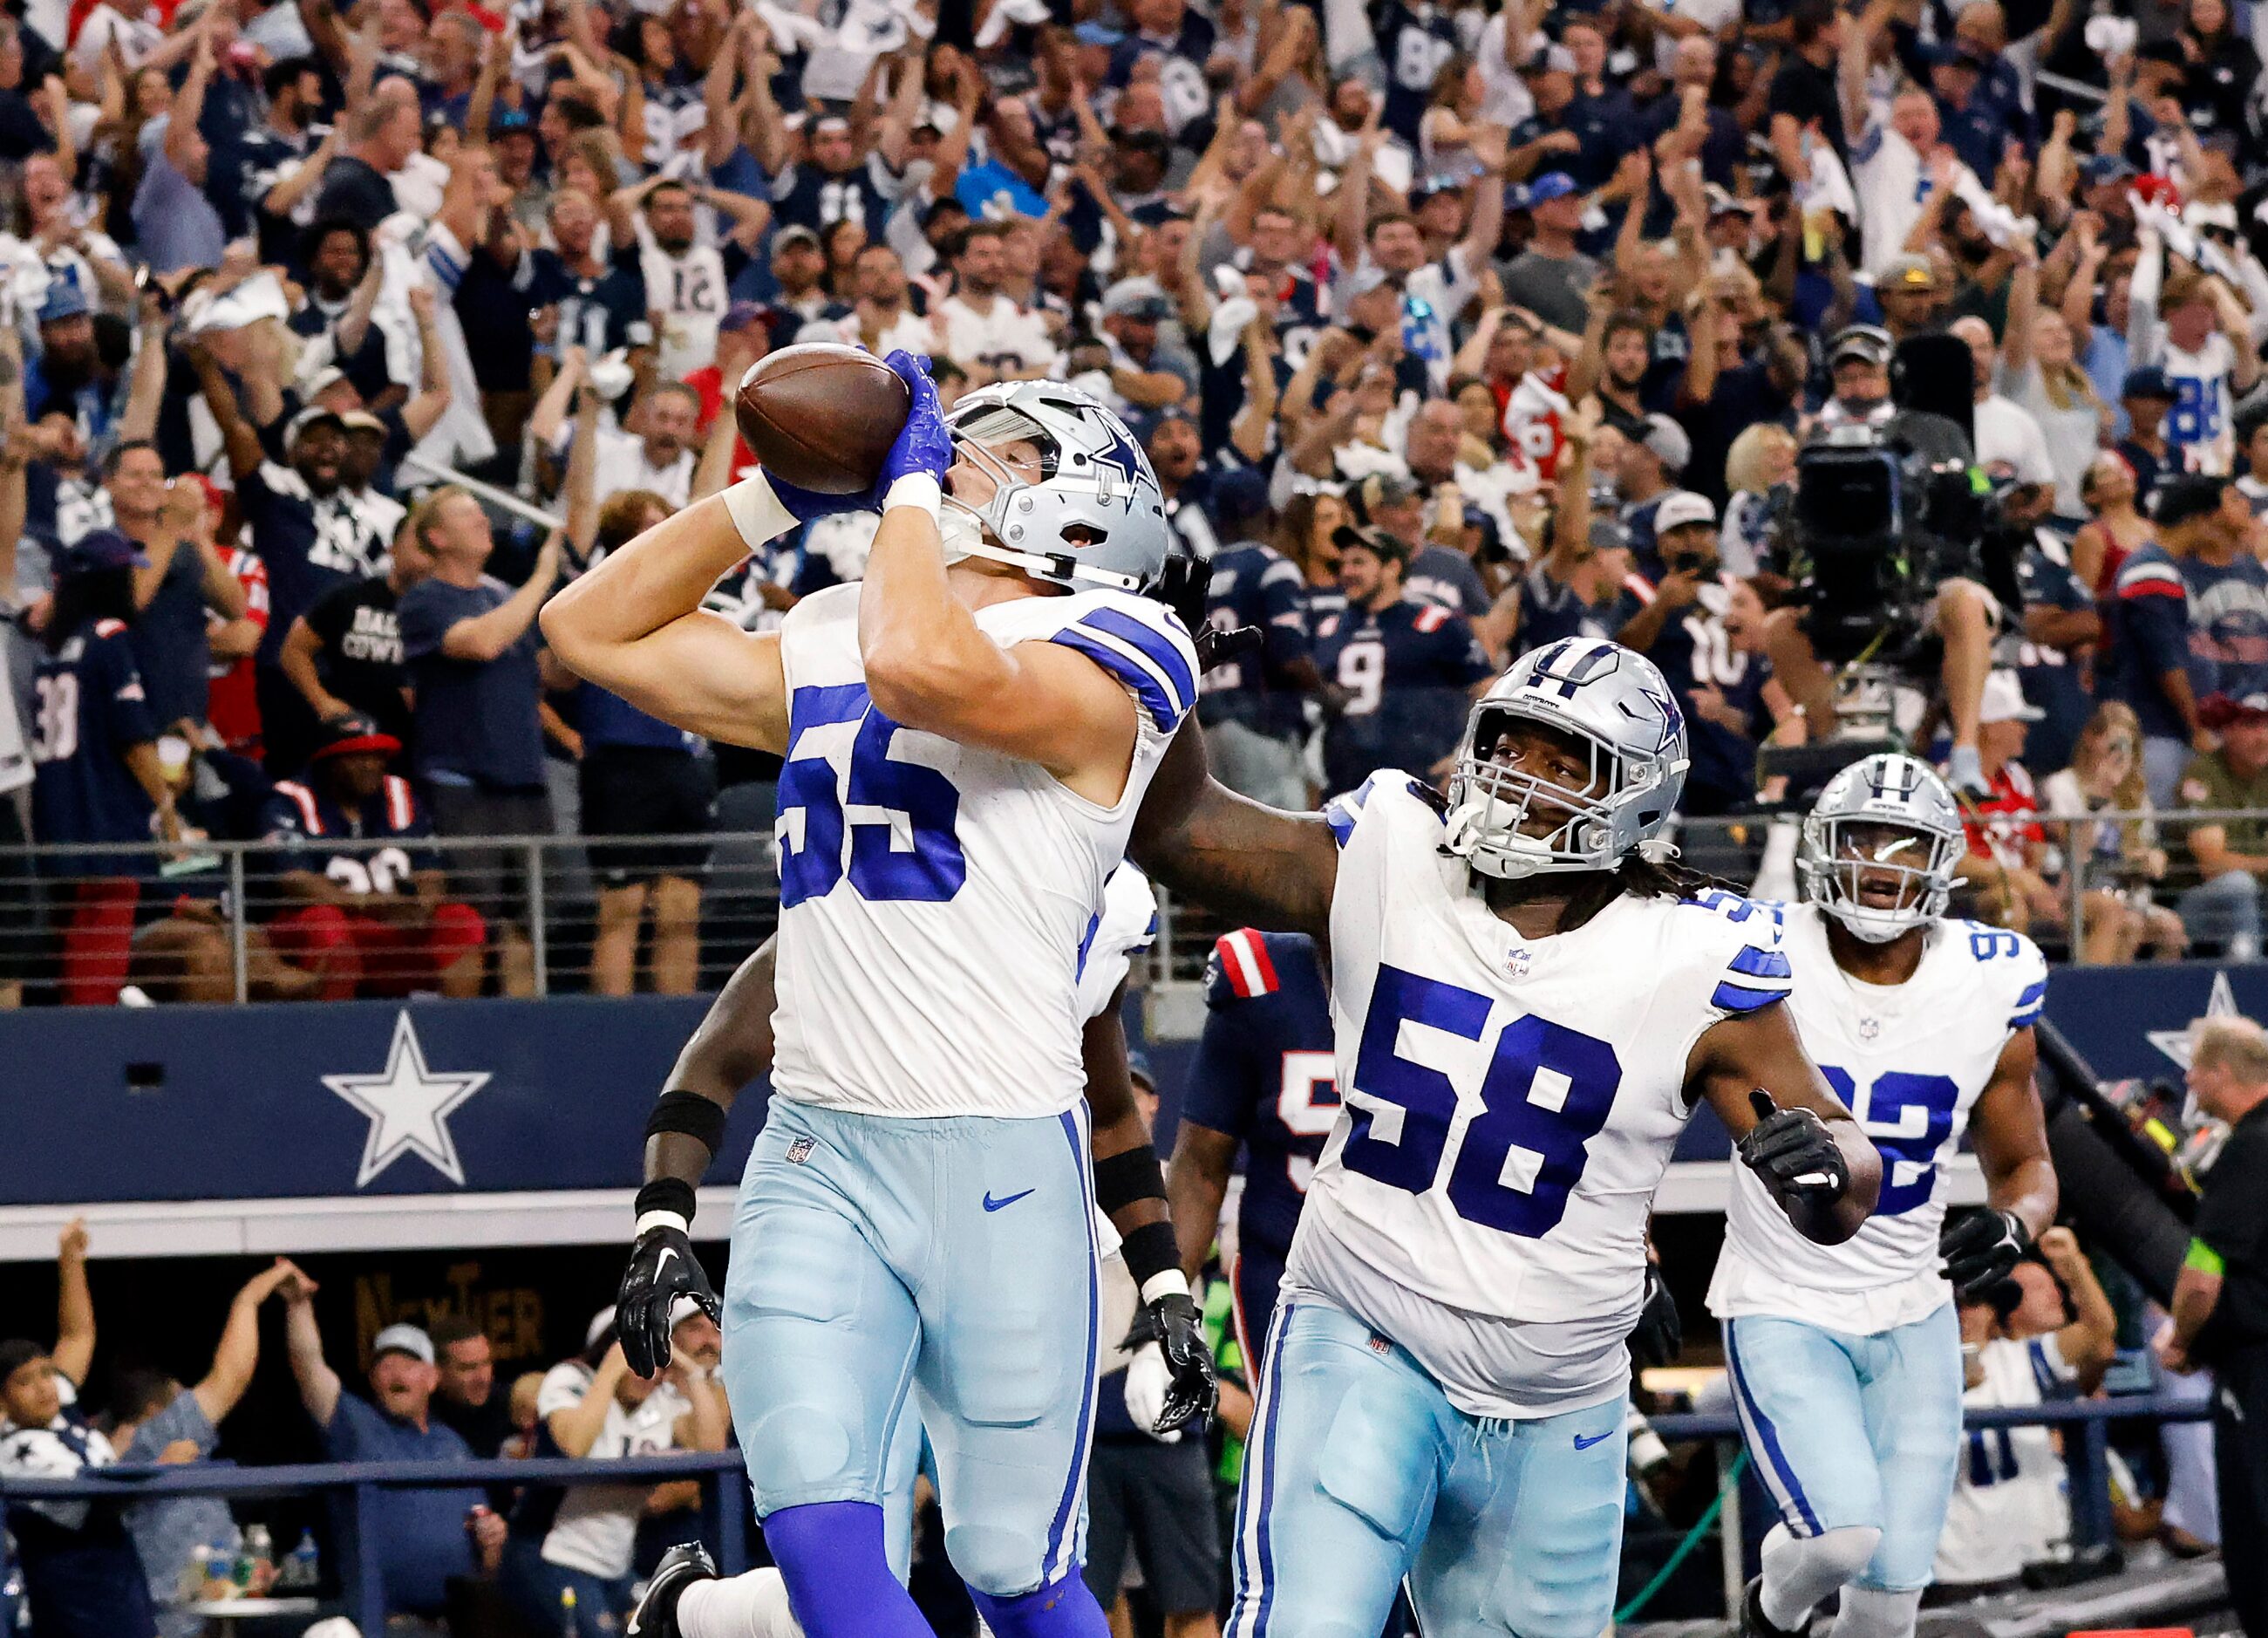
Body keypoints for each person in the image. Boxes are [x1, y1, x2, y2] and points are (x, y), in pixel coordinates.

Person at [544, 358, 1208, 1638]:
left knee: (1018, 1575)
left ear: (1083, 509)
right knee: (833, 1562)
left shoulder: (1124, 645)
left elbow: (922, 671)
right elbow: (588, 632)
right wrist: (767, 500)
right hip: (817, 1149)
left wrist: (901, 497)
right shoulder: (839, 620)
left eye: (995, 449)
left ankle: (708, 1625)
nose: (951, 454)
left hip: (1003, 1163)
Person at [1117, 640, 1880, 1638]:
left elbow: (1842, 1159)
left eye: (1565, 761)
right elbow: (1178, 830)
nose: (1521, 775)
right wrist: (1158, 669)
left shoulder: (1696, 954)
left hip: (1563, 1397)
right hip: (1366, 1331)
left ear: (1638, 798)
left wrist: (1830, 1169)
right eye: (1510, 742)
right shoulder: (1389, 852)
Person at [614, 859, 1173, 1636]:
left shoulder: (1083, 889)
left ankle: (696, 1613)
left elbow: (1112, 1113)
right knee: (838, 1566)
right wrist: (661, 1221)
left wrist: (1165, 1282)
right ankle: (694, 1609)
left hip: (1006, 1244)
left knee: (1015, 1561)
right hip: (842, 1214)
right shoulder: (870, 885)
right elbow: (714, 1059)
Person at [1713, 754, 2059, 1638]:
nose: (1877, 863)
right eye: (1860, 839)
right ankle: (1771, 1612)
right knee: (1838, 1541)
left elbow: (2030, 1168)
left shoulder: (1990, 977)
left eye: (1902, 844)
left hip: (1914, 1307)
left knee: (1891, 1604)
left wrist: (2017, 1224)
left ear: (1941, 860)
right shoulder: (1759, 948)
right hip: (1785, 1295)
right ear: (1823, 848)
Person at [395, 491, 564, 998]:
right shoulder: (425, 599)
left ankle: (526, 1041)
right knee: (471, 920)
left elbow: (549, 675)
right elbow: (481, 642)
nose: (483, 520)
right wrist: (541, 578)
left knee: (525, 925)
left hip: (523, 782)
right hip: (464, 786)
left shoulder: (502, 596)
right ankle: (462, 1039)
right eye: (468, 515)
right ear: (438, 538)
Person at [29, 529, 187, 1006]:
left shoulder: (52, 645)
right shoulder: (109, 636)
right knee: (98, 959)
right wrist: (167, 810)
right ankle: (84, 1060)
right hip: (106, 818)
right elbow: (135, 739)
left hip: (57, 813)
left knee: (71, 945)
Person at [105, 1259, 303, 1638]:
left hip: (207, 1617)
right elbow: (232, 1373)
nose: (194, 1405)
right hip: (178, 1624)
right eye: (181, 1397)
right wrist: (251, 1297)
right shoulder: (155, 1435)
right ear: (154, 1409)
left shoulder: (100, 1445)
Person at [1166, 928, 1336, 1367]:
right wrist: (1162, 1316)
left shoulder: (1456, 961)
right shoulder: (1262, 980)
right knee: (1294, 1434)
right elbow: (1201, 1169)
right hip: (1290, 1278)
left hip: (1421, 1277)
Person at [282, 1294, 503, 1629]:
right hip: (387, 1625)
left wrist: (492, 1541)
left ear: (432, 1378)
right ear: (373, 1380)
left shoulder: (453, 1445)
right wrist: (298, 1304)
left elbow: (486, 1543)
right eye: (385, 1365)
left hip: (458, 1623)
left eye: (409, 1364)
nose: (396, 1373)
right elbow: (308, 1366)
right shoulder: (358, 1427)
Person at [503, 1308, 728, 1635]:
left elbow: (711, 1452)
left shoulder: (660, 1400)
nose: (648, 1373)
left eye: (655, 1358)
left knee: (670, 1629)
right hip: (550, 1556)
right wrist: (610, 1370)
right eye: (636, 1357)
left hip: (614, 1565)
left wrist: (692, 1374)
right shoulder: (570, 1379)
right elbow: (575, 1446)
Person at [2157, 1014, 2268, 1638]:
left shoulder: (2248, 1148)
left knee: (2255, 1542)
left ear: (2222, 1072)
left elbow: (2202, 1277)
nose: (2186, 1078)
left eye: (2194, 1066)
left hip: (2255, 1375)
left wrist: (2181, 1339)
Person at [1931, 1230, 2116, 1594]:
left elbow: (2100, 1331)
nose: (1971, 1310)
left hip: (2034, 1559)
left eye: (1982, 1301)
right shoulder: (1918, 1372)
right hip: (1957, 1564)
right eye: (1962, 1301)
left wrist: (2073, 1266)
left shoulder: (2022, 1358)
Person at [260, 713, 487, 999]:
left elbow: (430, 870)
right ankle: (329, 1033)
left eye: (378, 755)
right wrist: (369, 904)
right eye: (356, 757)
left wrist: (423, 905)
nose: (371, 766)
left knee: (459, 919)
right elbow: (295, 880)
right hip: (323, 927)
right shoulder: (291, 800)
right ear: (327, 762)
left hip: (394, 925)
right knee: (324, 922)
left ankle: (455, 1028)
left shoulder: (398, 793)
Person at [0, 1221, 152, 1638]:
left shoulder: (57, 1407)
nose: (44, 1386)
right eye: (25, 1382)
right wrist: (149, 1468)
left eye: (46, 1373)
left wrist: (70, 1259)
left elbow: (77, 1334)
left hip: (120, 1584)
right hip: (75, 1604)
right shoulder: (12, 1448)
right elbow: (98, 1502)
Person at [1311, 525, 1494, 797]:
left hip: (1420, 782)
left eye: (1359, 562)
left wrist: (1465, 754)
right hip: (1345, 784)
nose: (1347, 572)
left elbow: (1488, 689)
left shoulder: (1435, 624)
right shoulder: (1329, 628)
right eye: (1344, 563)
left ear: (1392, 567)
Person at [2174, 692, 2268, 958]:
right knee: (2238, 885)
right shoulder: (2203, 774)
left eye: (2267, 725)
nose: (2263, 737)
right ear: (2226, 730)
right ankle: (2248, 975)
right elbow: (2213, 864)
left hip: (2262, 897)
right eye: (2251, 725)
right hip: (2197, 905)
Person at [430, 1314, 514, 1459]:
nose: (483, 1378)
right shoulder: (419, 1417)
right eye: (468, 1368)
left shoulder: (510, 1404)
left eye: (487, 1363)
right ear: (436, 1372)